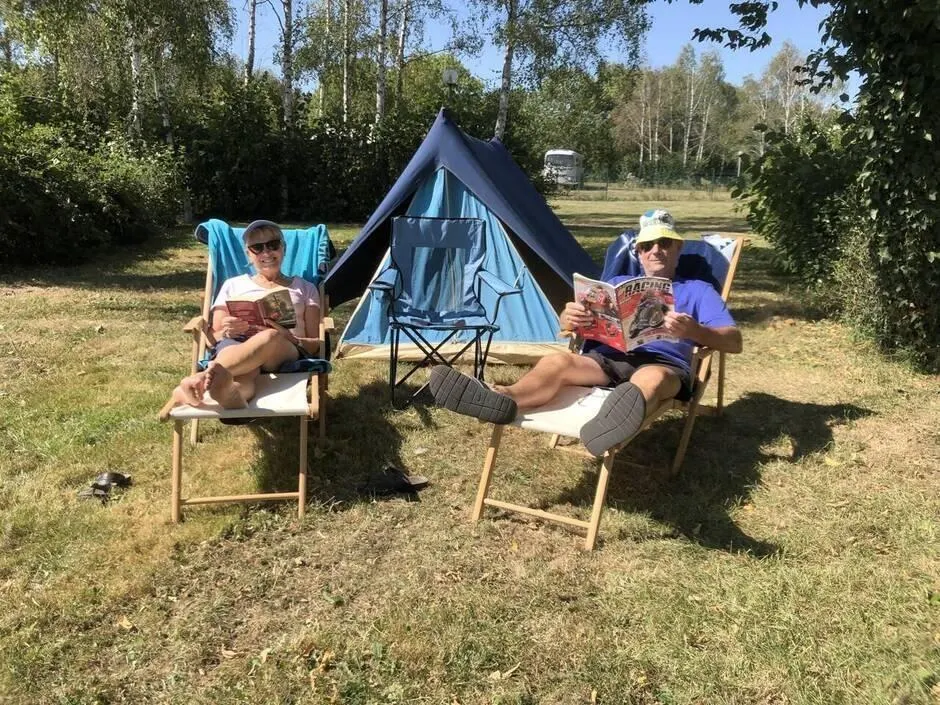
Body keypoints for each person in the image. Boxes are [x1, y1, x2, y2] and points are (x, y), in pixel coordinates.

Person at [427, 209, 743, 457]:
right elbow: (567, 328)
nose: (655, 251)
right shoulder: (615, 285)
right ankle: (503, 398)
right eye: (647, 246)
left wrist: (695, 330)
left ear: (678, 247)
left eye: (664, 243)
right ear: (638, 252)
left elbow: (734, 341)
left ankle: (609, 422)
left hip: (663, 364)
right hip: (607, 360)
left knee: (652, 379)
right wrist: (570, 317)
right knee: (557, 362)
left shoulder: (699, 290)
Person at [159, 220, 321, 419]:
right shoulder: (233, 285)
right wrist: (226, 331)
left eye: (273, 245)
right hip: (236, 347)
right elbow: (213, 338)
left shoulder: (305, 288)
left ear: (283, 248)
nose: (266, 253)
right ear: (248, 254)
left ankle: (200, 377)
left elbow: (316, 344)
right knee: (242, 377)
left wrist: (290, 337)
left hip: (282, 350)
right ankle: (230, 393)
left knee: (270, 336)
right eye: (257, 248)